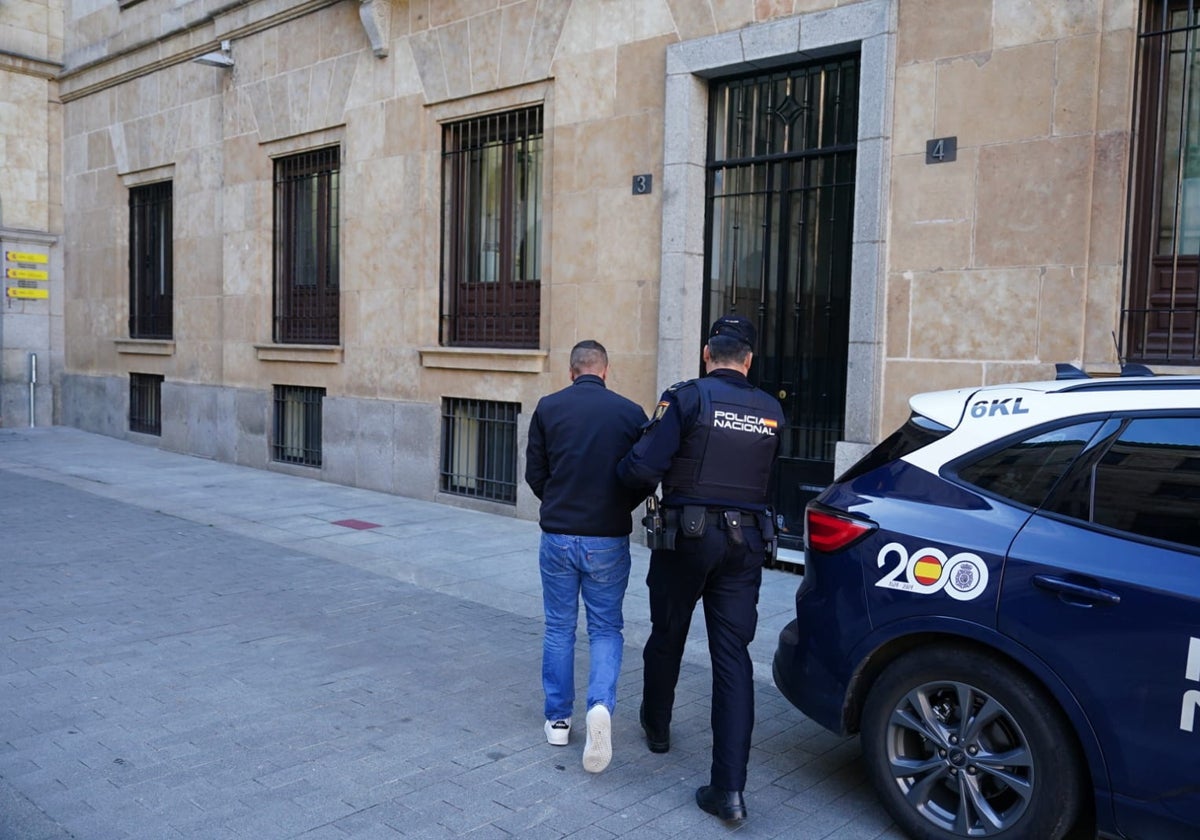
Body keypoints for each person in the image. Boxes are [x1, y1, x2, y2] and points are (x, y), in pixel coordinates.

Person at [616, 314, 783, 822]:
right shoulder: (772, 409)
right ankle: (729, 791)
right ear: (748, 361)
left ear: (708, 355)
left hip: (687, 538)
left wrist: (619, 484)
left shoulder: (686, 397)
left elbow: (642, 468)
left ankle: (658, 728)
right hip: (748, 542)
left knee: (668, 633)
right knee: (733, 660)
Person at [525, 339, 649, 774]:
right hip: (607, 538)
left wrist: (558, 502)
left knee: (559, 627)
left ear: (571, 370)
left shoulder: (548, 408)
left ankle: (558, 720)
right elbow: (644, 473)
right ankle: (600, 707)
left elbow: (535, 474)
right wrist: (619, 508)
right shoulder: (631, 413)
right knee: (605, 628)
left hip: (558, 534)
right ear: (606, 370)